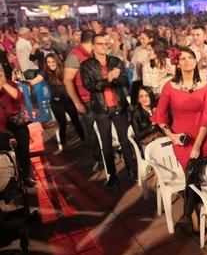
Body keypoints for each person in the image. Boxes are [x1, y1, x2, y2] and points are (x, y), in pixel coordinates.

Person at [152, 46, 207, 228]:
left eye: (190, 58)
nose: (187, 61)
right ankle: (193, 214)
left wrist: (197, 146)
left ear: (196, 62)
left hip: (205, 138)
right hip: (182, 140)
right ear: (177, 64)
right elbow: (160, 116)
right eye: (183, 58)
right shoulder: (169, 87)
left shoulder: (206, 87)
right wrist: (172, 136)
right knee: (191, 178)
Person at [80, 33, 138, 190]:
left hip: (119, 106)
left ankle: (132, 170)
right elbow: (89, 86)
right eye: (99, 44)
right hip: (101, 108)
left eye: (106, 44)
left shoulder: (115, 61)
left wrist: (116, 78)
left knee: (125, 140)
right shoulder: (87, 65)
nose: (103, 46)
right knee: (106, 144)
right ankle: (112, 176)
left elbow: (126, 81)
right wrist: (109, 80)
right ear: (93, 46)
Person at [64, 29, 103, 170]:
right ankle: (98, 159)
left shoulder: (92, 54)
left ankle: (106, 155)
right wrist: (77, 102)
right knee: (91, 132)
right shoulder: (74, 56)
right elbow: (68, 81)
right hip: (85, 100)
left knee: (103, 128)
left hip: (98, 98)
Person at [28, 54, 85, 148]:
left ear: (57, 61)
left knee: (76, 121)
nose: (51, 64)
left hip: (68, 100)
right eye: (48, 62)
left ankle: (84, 139)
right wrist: (21, 81)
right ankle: (64, 144)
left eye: (53, 62)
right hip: (56, 102)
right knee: (62, 123)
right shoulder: (45, 72)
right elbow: (34, 81)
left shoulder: (64, 70)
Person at [0, 68, 35, 187]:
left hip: (16, 123)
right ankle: (9, 178)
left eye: (1, 72)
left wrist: (4, 84)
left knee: (23, 148)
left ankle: (26, 175)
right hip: (1, 127)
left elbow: (19, 97)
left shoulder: (10, 84)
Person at [131, 86, 163, 152]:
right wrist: (152, 126)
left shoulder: (157, 109)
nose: (144, 99)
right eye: (141, 96)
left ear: (151, 96)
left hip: (162, 140)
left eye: (147, 95)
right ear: (138, 99)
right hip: (148, 145)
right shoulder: (136, 114)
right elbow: (138, 136)